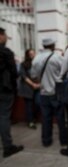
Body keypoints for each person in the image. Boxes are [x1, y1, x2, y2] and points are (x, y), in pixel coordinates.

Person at [31, 38, 66, 147]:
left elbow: (33, 76)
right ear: (52, 46)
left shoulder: (36, 59)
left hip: (43, 93)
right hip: (56, 92)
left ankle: (46, 141)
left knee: (46, 118)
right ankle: (63, 140)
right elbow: (64, 72)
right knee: (60, 118)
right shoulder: (57, 57)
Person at [0, 27, 24, 157]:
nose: (6, 38)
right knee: (4, 117)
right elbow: (14, 73)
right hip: (4, 89)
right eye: (5, 35)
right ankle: (7, 147)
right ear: (1, 35)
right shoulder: (6, 52)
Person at [18, 49, 40, 129]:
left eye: (33, 53)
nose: (32, 55)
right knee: (29, 105)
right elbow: (24, 76)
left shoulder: (38, 63)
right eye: (30, 54)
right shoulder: (23, 64)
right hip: (27, 87)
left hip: (37, 86)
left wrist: (38, 84)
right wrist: (33, 84)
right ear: (27, 55)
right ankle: (30, 121)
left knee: (38, 103)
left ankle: (33, 118)